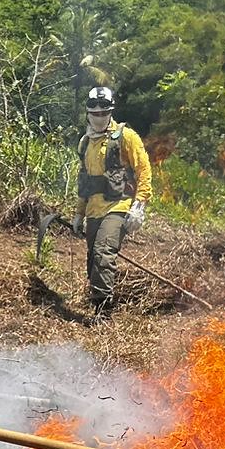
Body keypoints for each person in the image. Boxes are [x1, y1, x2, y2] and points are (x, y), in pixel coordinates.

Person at [72, 85, 153, 318]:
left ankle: (103, 313)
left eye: (103, 113)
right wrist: (79, 213)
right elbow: (84, 181)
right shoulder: (85, 142)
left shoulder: (126, 136)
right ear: (88, 113)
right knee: (92, 259)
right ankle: (97, 302)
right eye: (94, 113)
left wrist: (140, 205)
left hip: (119, 205)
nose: (99, 117)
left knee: (103, 252)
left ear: (110, 112)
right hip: (94, 209)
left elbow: (143, 169)